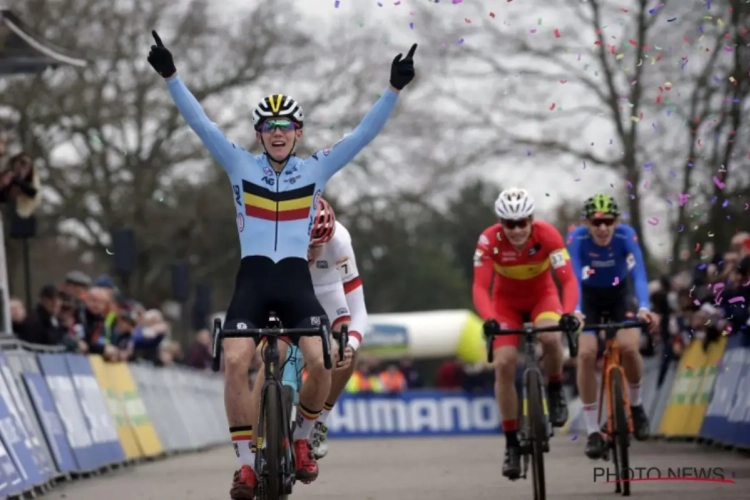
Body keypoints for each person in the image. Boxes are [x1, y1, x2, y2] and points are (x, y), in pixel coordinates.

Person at [147, 31, 417, 499]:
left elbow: (363, 135)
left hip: (295, 282)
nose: (277, 132)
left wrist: (392, 90)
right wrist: (171, 76)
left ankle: (300, 439)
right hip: (252, 280)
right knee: (235, 363)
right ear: (259, 134)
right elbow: (200, 123)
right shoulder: (238, 164)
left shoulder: (315, 169)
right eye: (269, 125)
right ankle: (247, 467)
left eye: (286, 125)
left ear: (298, 133)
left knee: (323, 362)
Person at [472, 187, 580, 480]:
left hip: (542, 297)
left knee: (550, 337)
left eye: (522, 222)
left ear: (532, 220)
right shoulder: (488, 241)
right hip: (505, 304)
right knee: (505, 364)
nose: (517, 230)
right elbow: (481, 288)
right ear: (500, 223)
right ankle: (510, 445)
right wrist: (490, 318)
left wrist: (568, 311)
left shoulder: (548, 236)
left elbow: (568, 281)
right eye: (510, 224)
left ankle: (555, 388)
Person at [248, 198, 368, 460]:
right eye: (304, 245)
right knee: (272, 353)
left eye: (317, 246)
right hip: (289, 292)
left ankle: (316, 423)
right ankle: (254, 443)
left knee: (343, 349)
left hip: (329, 292)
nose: (310, 253)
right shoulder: (273, 239)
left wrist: (350, 345)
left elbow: (358, 309)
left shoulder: (340, 241)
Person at [566, 194, 658, 460]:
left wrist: (644, 306)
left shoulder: (626, 235)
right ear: (587, 223)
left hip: (621, 295)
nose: (603, 228)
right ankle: (594, 431)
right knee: (585, 354)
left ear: (616, 222)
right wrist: (576, 311)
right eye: (597, 222)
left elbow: (639, 272)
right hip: (589, 298)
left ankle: (637, 406)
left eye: (608, 221)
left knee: (629, 348)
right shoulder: (577, 239)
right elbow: (572, 275)